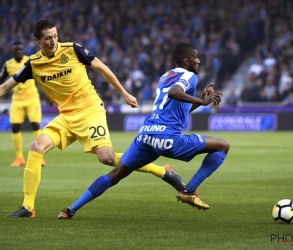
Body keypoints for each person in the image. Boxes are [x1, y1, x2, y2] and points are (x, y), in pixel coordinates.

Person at [0, 19, 184, 218]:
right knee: (36, 147)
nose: (53, 41)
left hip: (90, 111)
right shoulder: (33, 64)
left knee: (106, 158)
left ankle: (162, 170)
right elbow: (3, 87)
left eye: (55, 36)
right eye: (47, 38)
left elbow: (102, 68)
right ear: (37, 41)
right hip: (67, 117)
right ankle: (28, 207)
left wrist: (124, 93)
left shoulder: (72, 49)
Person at [57, 43, 230, 220]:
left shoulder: (165, 76)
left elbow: (176, 110)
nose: (199, 60)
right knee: (223, 146)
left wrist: (199, 100)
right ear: (186, 60)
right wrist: (203, 102)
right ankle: (189, 190)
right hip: (167, 138)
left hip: (146, 135)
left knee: (115, 175)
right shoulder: (189, 76)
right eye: (196, 57)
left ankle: (70, 209)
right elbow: (174, 93)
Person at [0, 41, 46, 167]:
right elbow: (1, 80)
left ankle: (40, 157)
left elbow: (42, 77)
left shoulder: (30, 61)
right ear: (13, 51)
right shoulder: (8, 65)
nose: (18, 51)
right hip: (17, 100)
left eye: (20, 49)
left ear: (23, 50)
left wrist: (47, 94)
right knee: (15, 127)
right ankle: (19, 158)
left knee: (36, 125)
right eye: (16, 50)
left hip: (32, 98)